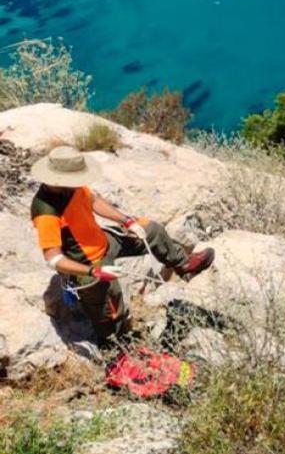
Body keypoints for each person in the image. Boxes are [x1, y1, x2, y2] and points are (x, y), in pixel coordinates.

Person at [29, 145, 215, 344]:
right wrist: (95, 272)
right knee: (110, 304)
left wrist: (127, 221)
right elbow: (54, 259)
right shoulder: (46, 210)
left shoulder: (72, 187)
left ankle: (184, 265)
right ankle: (116, 347)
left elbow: (93, 201)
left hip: (105, 239)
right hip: (88, 262)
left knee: (152, 230)